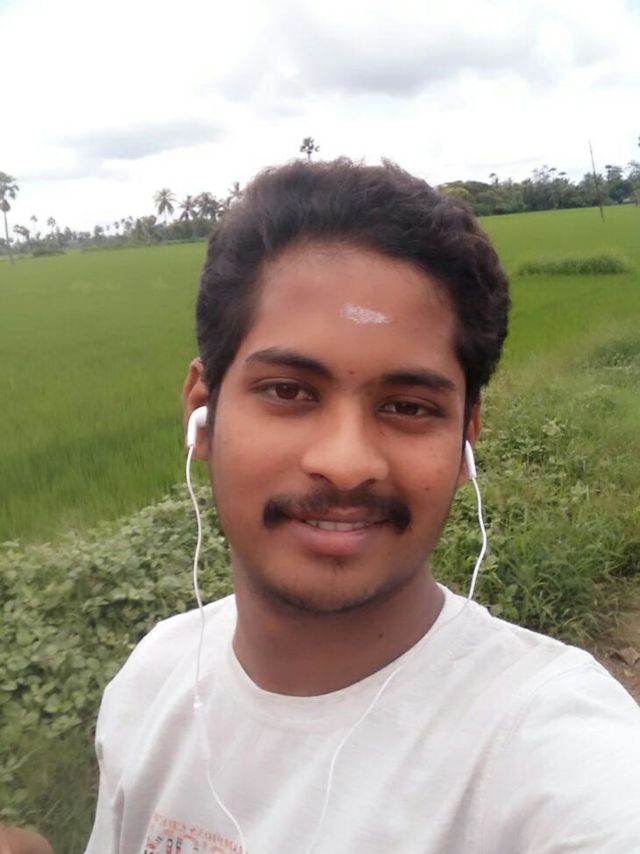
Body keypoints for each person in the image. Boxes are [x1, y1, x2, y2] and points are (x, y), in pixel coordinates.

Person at [85, 159, 640, 853]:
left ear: (464, 440)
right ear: (204, 414)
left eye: (409, 407)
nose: (346, 463)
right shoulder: (152, 680)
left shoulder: (548, 751)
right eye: (288, 391)